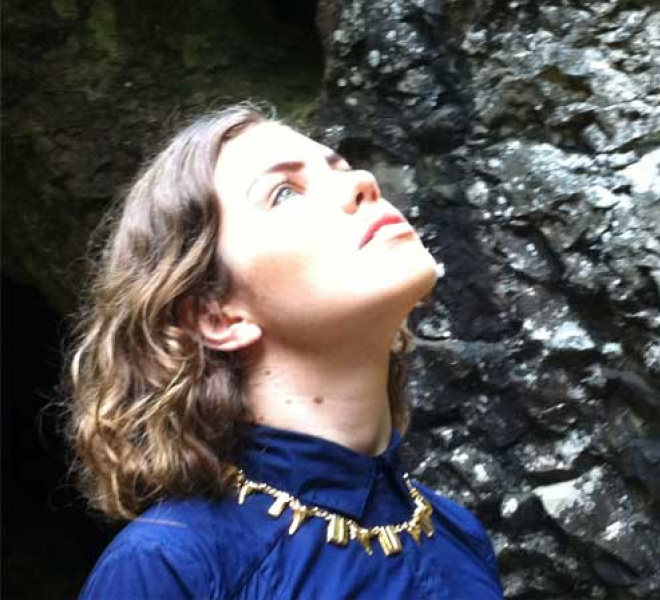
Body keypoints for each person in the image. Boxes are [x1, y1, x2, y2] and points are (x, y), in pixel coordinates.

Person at [65, 102, 504, 599]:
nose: (362, 182)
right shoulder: (171, 566)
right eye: (285, 192)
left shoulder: (459, 536)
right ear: (218, 317)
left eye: (340, 167)